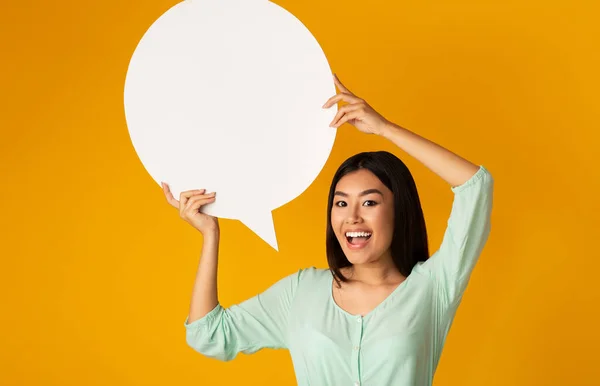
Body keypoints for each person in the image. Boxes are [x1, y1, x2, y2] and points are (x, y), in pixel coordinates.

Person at [161, 74, 494, 386]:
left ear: (399, 211)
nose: (352, 218)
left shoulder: (433, 288)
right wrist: (210, 235)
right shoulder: (302, 292)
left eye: (369, 203)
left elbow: (475, 186)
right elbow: (209, 334)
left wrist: (385, 128)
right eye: (341, 203)